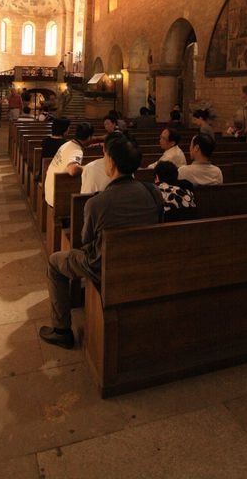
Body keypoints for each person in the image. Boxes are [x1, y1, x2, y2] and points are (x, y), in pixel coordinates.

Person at [39, 136, 163, 348]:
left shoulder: (97, 203)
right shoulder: (153, 192)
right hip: (143, 259)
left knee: (54, 262)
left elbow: (85, 241)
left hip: (104, 265)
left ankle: (61, 330)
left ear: (111, 163)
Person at [44, 123, 94, 209]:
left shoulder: (67, 144)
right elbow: (72, 170)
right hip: (56, 197)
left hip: (49, 191)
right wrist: (89, 167)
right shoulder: (77, 150)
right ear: (89, 137)